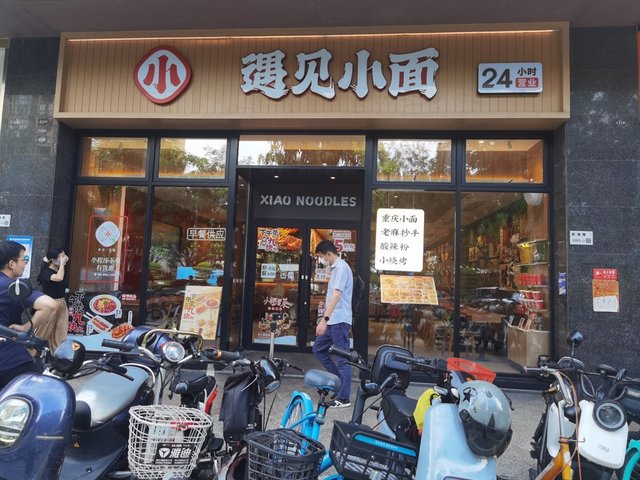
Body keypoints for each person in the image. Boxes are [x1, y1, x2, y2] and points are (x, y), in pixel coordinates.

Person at [0, 241, 60, 391]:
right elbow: (49, 305)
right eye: (23, 259)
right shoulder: (12, 286)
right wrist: (26, 327)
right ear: (11, 264)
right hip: (10, 361)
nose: (25, 263)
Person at [312, 240, 353, 408]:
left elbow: (336, 296)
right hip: (333, 320)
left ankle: (343, 398)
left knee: (343, 359)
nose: (322, 260)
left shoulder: (341, 268)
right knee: (318, 349)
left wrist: (324, 320)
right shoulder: (336, 268)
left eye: (322, 257)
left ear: (328, 254)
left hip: (339, 320)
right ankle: (339, 384)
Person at [37, 247, 70, 352]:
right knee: (44, 331)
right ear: (53, 260)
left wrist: (62, 263)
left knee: (60, 331)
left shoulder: (60, 270)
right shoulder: (46, 272)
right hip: (50, 304)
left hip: (61, 303)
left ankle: (57, 354)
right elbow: (58, 278)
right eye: (62, 257)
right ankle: (34, 353)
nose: (65, 258)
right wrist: (62, 264)